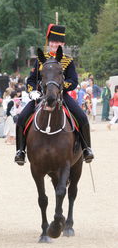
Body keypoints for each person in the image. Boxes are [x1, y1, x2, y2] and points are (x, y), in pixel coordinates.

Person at [14, 24, 94, 165]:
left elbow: (73, 81)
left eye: (57, 42)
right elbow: (32, 79)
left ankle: (86, 148)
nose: (54, 44)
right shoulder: (40, 59)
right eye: (52, 41)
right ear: (48, 42)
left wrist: (60, 88)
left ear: (62, 43)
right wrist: (32, 91)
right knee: (21, 119)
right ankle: (20, 151)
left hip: (61, 95)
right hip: (40, 97)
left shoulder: (67, 60)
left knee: (82, 117)